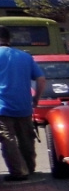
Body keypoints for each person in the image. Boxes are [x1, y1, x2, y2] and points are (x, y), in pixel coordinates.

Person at [0, 25, 46, 181]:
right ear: (9, 39)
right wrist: (36, 98)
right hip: (24, 105)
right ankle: (30, 167)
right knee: (26, 138)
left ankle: (19, 172)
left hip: (2, 107)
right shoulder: (25, 56)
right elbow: (41, 79)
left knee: (8, 139)